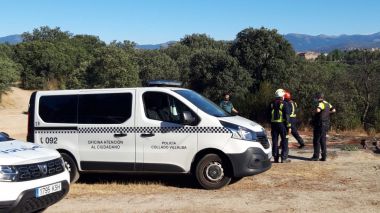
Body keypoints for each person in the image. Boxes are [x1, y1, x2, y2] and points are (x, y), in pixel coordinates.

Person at [311, 92, 336, 161]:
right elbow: (334, 110)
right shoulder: (327, 103)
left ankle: (316, 157)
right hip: (326, 124)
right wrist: (328, 113)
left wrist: (314, 112)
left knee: (316, 140)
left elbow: (318, 110)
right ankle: (324, 156)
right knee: (323, 140)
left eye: (316, 97)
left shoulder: (321, 103)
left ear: (319, 98)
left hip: (320, 124)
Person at [270, 89, 291, 163]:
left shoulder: (271, 103)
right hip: (282, 125)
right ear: (282, 96)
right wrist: (289, 127)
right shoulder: (284, 104)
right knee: (285, 141)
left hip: (273, 125)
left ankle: (275, 158)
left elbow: (267, 115)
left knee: (275, 141)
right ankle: (283, 158)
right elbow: (287, 116)